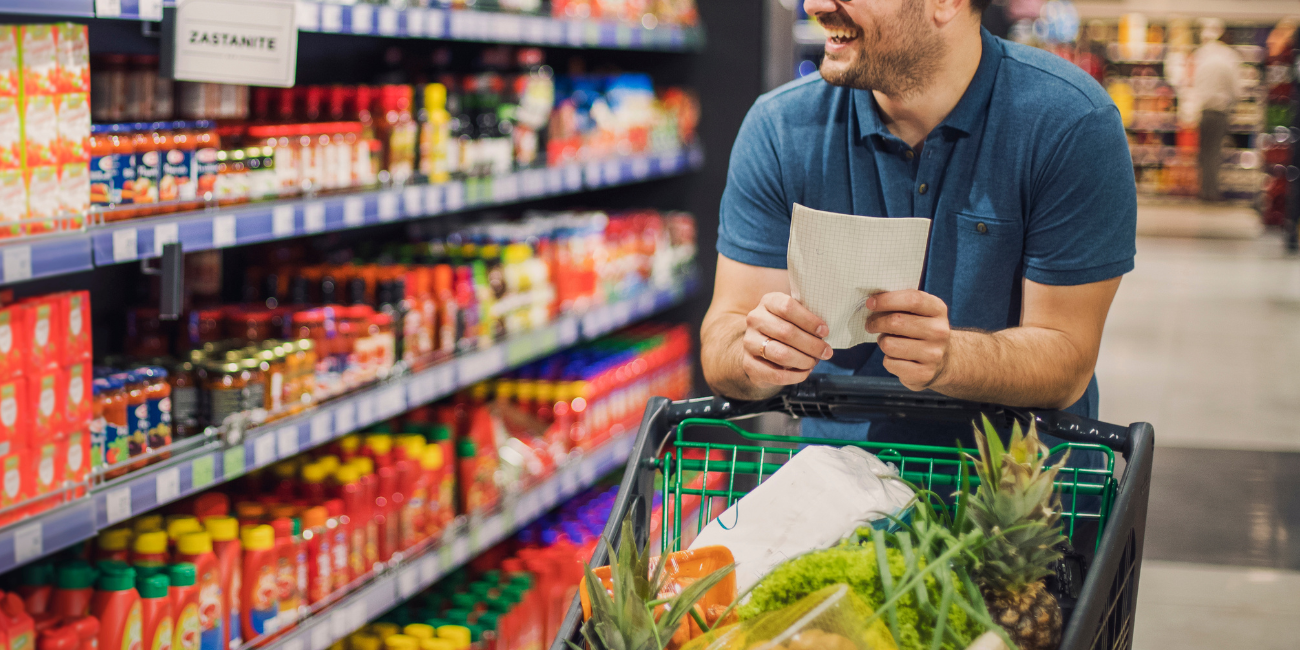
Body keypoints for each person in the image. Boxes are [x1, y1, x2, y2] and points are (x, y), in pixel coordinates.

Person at [700, 0, 1137, 444]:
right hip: (836, 496)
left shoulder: (1071, 123)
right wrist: (755, 356)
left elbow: (1067, 359)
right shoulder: (779, 128)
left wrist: (952, 358)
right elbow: (724, 339)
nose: (814, 4)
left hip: (1017, 500)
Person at [1192, 18, 1242, 202]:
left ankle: (1205, 190)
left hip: (1204, 111)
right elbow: (1236, 88)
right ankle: (1211, 193)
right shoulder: (1229, 57)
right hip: (1220, 111)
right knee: (1214, 152)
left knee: (1204, 153)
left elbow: (1194, 84)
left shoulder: (1201, 55)